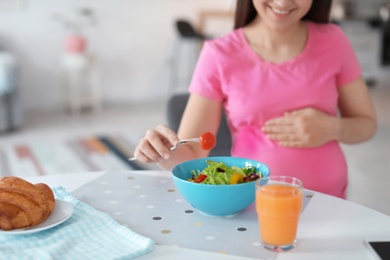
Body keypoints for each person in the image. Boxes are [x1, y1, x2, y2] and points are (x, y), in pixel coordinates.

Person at [133, 0, 377, 199]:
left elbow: (367, 124)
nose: (283, 2)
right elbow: (193, 153)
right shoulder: (219, 54)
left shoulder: (334, 40)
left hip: (331, 205)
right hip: (254, 209)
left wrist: (333, 127)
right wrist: (162, 151)